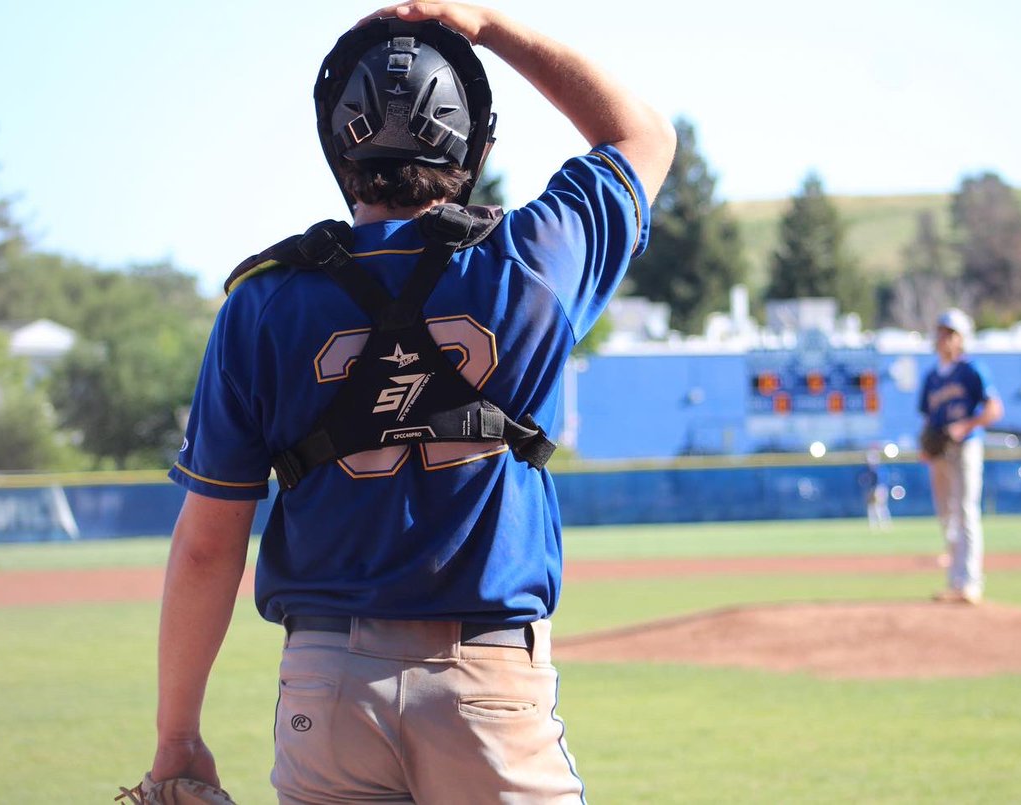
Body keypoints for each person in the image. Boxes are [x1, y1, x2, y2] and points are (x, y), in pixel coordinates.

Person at [147, 2, 675, 803]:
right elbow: (642, 137)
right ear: (475, 143)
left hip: (325, 695)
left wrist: (178, 739)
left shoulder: (262, 304)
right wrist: (487, 24)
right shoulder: (533, 261)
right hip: (487, 683)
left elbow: (205, 548)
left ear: (338, 148)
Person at [918, 308, 1004, 604]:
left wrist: (965, 426)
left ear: (962, 339)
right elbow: (928, 418)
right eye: (941, 332)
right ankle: (955, 582)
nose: (944, 338)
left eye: (950, 333)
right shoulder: (931, 377)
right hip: (939, 451)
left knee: (966, 511)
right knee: (946, 516)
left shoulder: (972, 369)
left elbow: (994, 409)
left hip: (966, 446)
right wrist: (924, 446)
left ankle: (971, 582)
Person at [858, 449, 891, 531]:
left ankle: (885, 525)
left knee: (881, 507)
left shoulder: (880, 468)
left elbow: (883, 481)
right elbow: (863, 480)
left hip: (879, 489)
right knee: (871, 507)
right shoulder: (867, 469)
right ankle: (873, 525)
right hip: (871, 489)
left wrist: (881, 490)